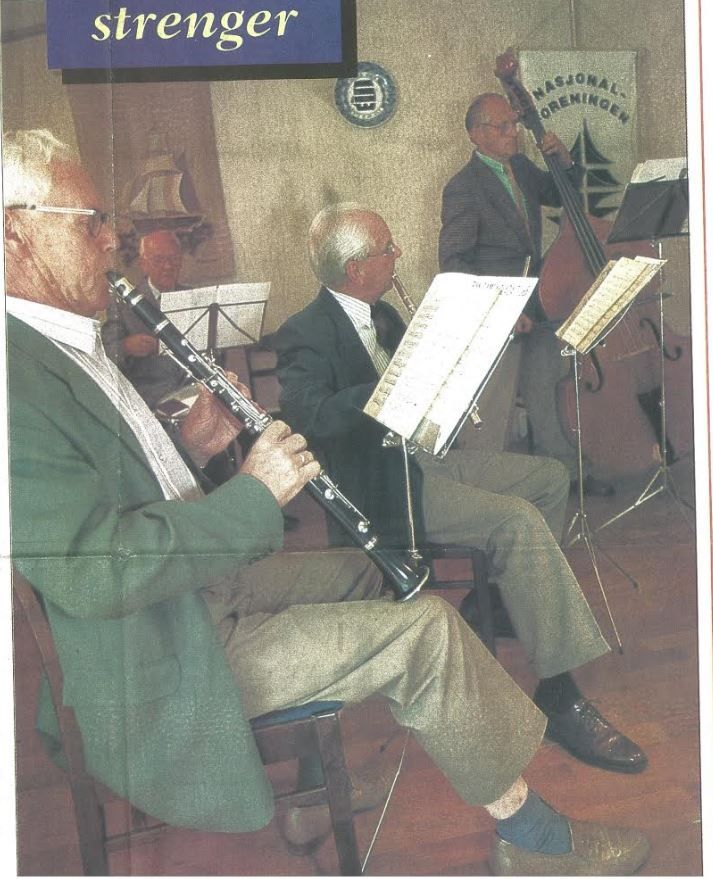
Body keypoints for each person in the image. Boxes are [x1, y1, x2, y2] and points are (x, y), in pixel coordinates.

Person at [5, 130, 650, 876]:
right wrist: (255, 492)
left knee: (374, 575)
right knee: (428, 631)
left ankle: (318, 788)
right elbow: (94, 570)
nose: (110, 237)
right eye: (88, 221)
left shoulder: (65, 341)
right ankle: (532, 838)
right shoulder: (16, 376)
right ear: (15, 232)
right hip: (162, 653)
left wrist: (193, 446)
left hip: (191, 596)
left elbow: (116, 490)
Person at [275, 201, 648, 775]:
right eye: (387, 249)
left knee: (549, 479)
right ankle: (559, 690)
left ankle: (500, 598)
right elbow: (310, 418)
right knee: (515, 520)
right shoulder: (304, 332)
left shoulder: (385, 315)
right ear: (355, 268)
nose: (397, 255)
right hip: (380, 488)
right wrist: (388, 389)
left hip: (423, 461)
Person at [439, 93, 613, 496]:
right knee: (494, 410)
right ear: (476, 134)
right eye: (503, 126)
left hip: (539, 301)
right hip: (497, 313)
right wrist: (497, 308)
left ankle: (565, 476)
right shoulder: (463, 188)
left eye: (514, 124)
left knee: (548, 392)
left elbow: (558, 194)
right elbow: (453, 261)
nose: (513, 133)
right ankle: (484, 493)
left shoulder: (519, 166)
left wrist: (564, 162)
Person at [101, 228, 188, 410]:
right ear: (143, 264)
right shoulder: (122, 304)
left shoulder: (193, 297)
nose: (168, 266)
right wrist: (126, 347)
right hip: (149, 400)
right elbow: (106, 354)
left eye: (173, 259)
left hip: (193, 392)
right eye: (159, 260)